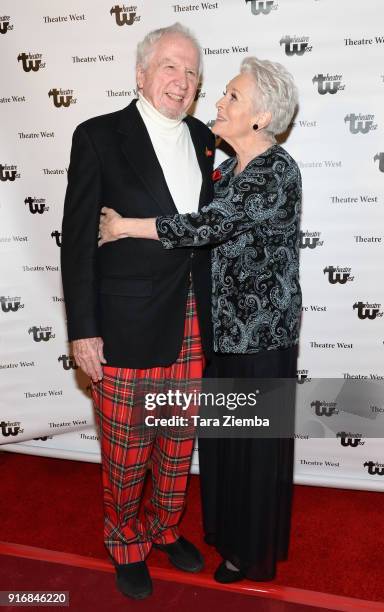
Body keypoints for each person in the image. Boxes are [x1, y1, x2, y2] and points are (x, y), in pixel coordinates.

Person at [98, 56, 302, 583]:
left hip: (261, 341)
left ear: (260, 117)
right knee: (224, 449)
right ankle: (226, 534)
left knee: (253, 451)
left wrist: (126, 228)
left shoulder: (277, 171)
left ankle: (249, 551)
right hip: (220, 335)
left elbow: (208, 224)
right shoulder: (224, 168)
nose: (217, 101)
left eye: (232, 96)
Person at [61, 23, 216, 600]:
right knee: (127, 449)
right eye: (171, 67)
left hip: (193, 318)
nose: (181, 81)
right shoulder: (99, 135)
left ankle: (164, 527)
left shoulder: (205, 138)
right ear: (142, 73)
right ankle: (125, 540)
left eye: (192, 71)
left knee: (177, 444)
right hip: (124, 322)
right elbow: (76, 241)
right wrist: (83, 332)